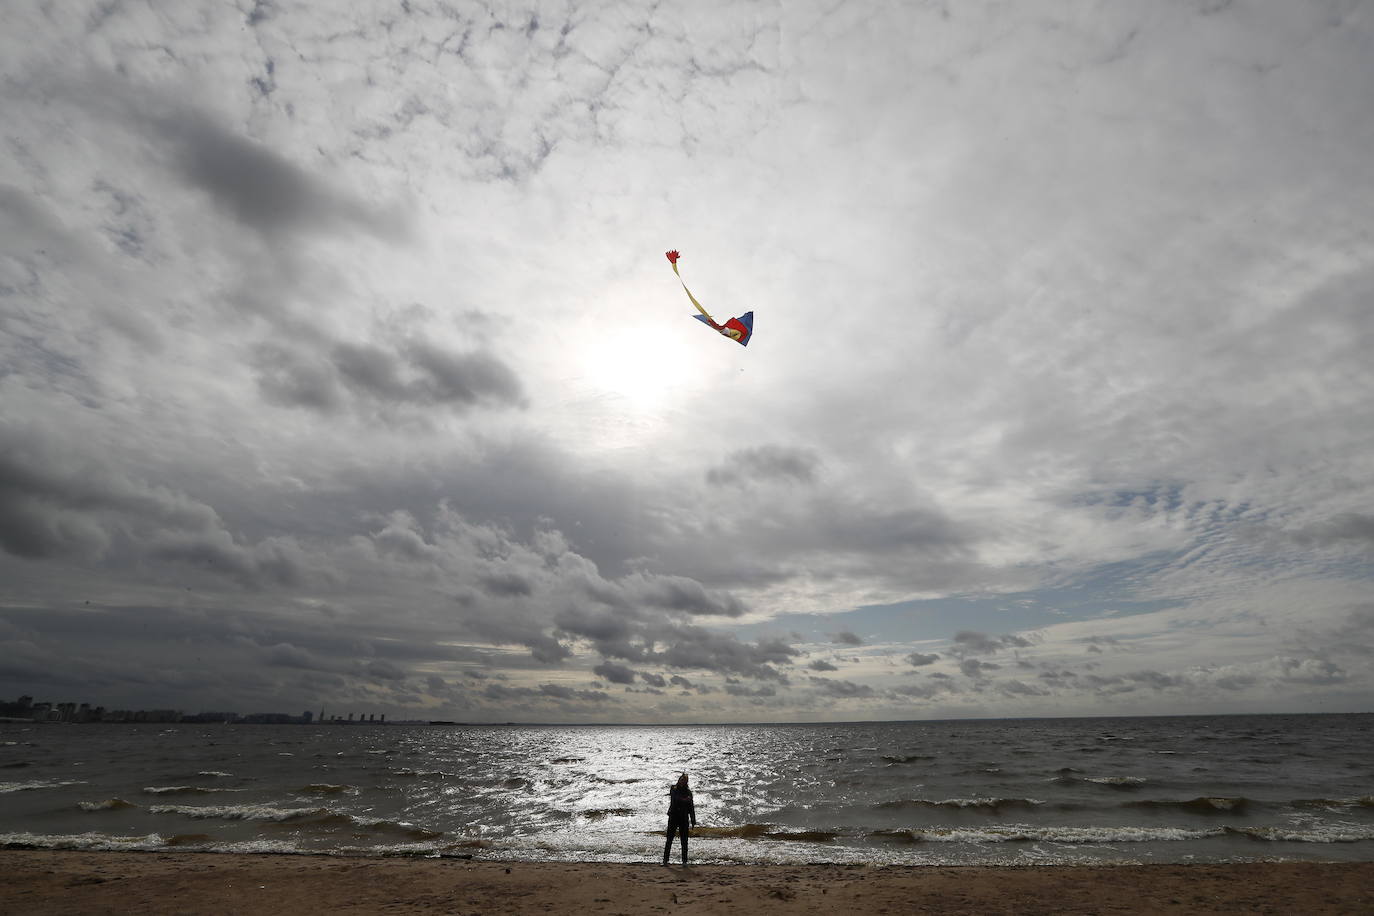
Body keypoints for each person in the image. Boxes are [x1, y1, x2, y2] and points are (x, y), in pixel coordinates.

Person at [662, 773, 696, 865]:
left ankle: (684, 861)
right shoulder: (673, 788)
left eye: (684, 780)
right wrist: (685, 800)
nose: (682, 781)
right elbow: (675, 798)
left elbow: (691, 807)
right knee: (669, 839)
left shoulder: (688, 792)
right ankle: (665, 860)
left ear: (686, 782)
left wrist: (693, 820)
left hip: (684, 818)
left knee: (684, 841)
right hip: (673, 816)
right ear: (679, 780)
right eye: (681, 779)